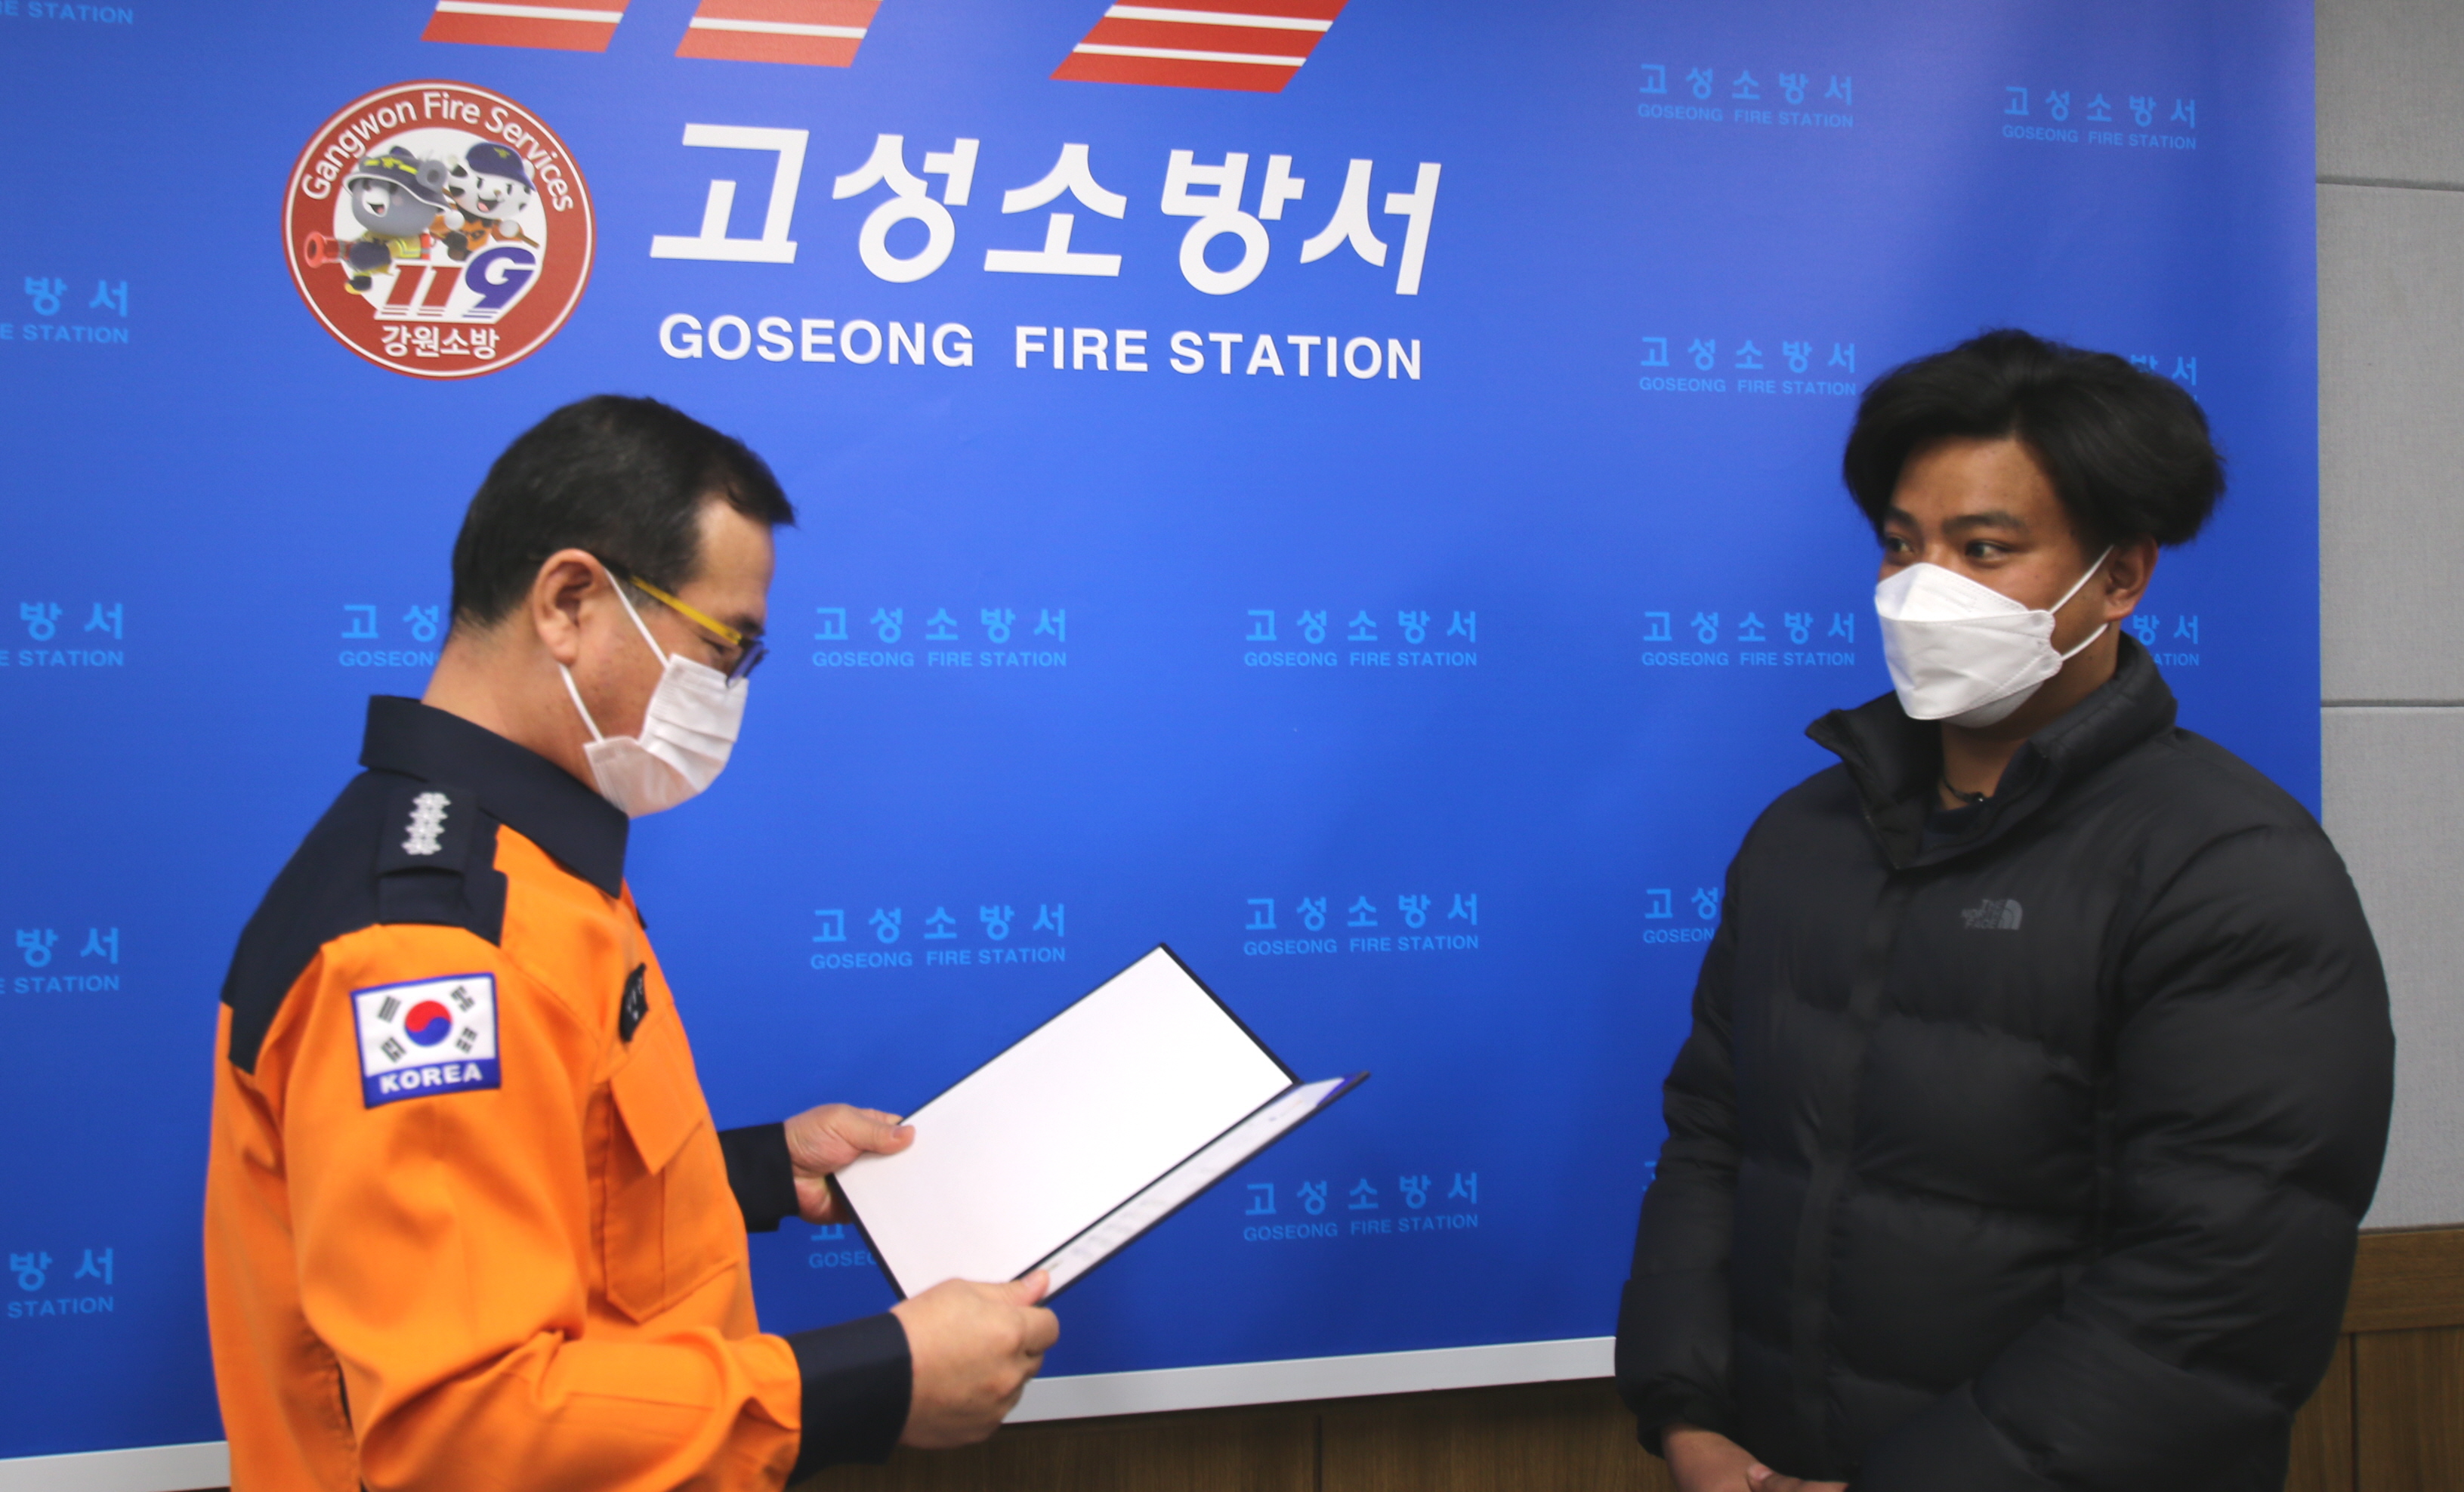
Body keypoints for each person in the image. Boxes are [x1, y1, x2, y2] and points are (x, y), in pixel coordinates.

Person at [203, 396, 1057, 1490]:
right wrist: (871, 1382)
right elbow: (459, 1431)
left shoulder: (534, 865)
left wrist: (761, 1170)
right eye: (722, 646)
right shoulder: (429, 950)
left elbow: (551, 1182)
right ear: (569, 602)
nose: (729, 690)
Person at [1614, 330, 2395, 1491]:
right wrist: (1687, 1414)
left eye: (1983, 550)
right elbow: (1712, 1141)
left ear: (2119, 579)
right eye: (1901, 546)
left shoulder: (2227, 870)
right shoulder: (1801, 839)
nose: (1923, 591)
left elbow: (2214, 1296)